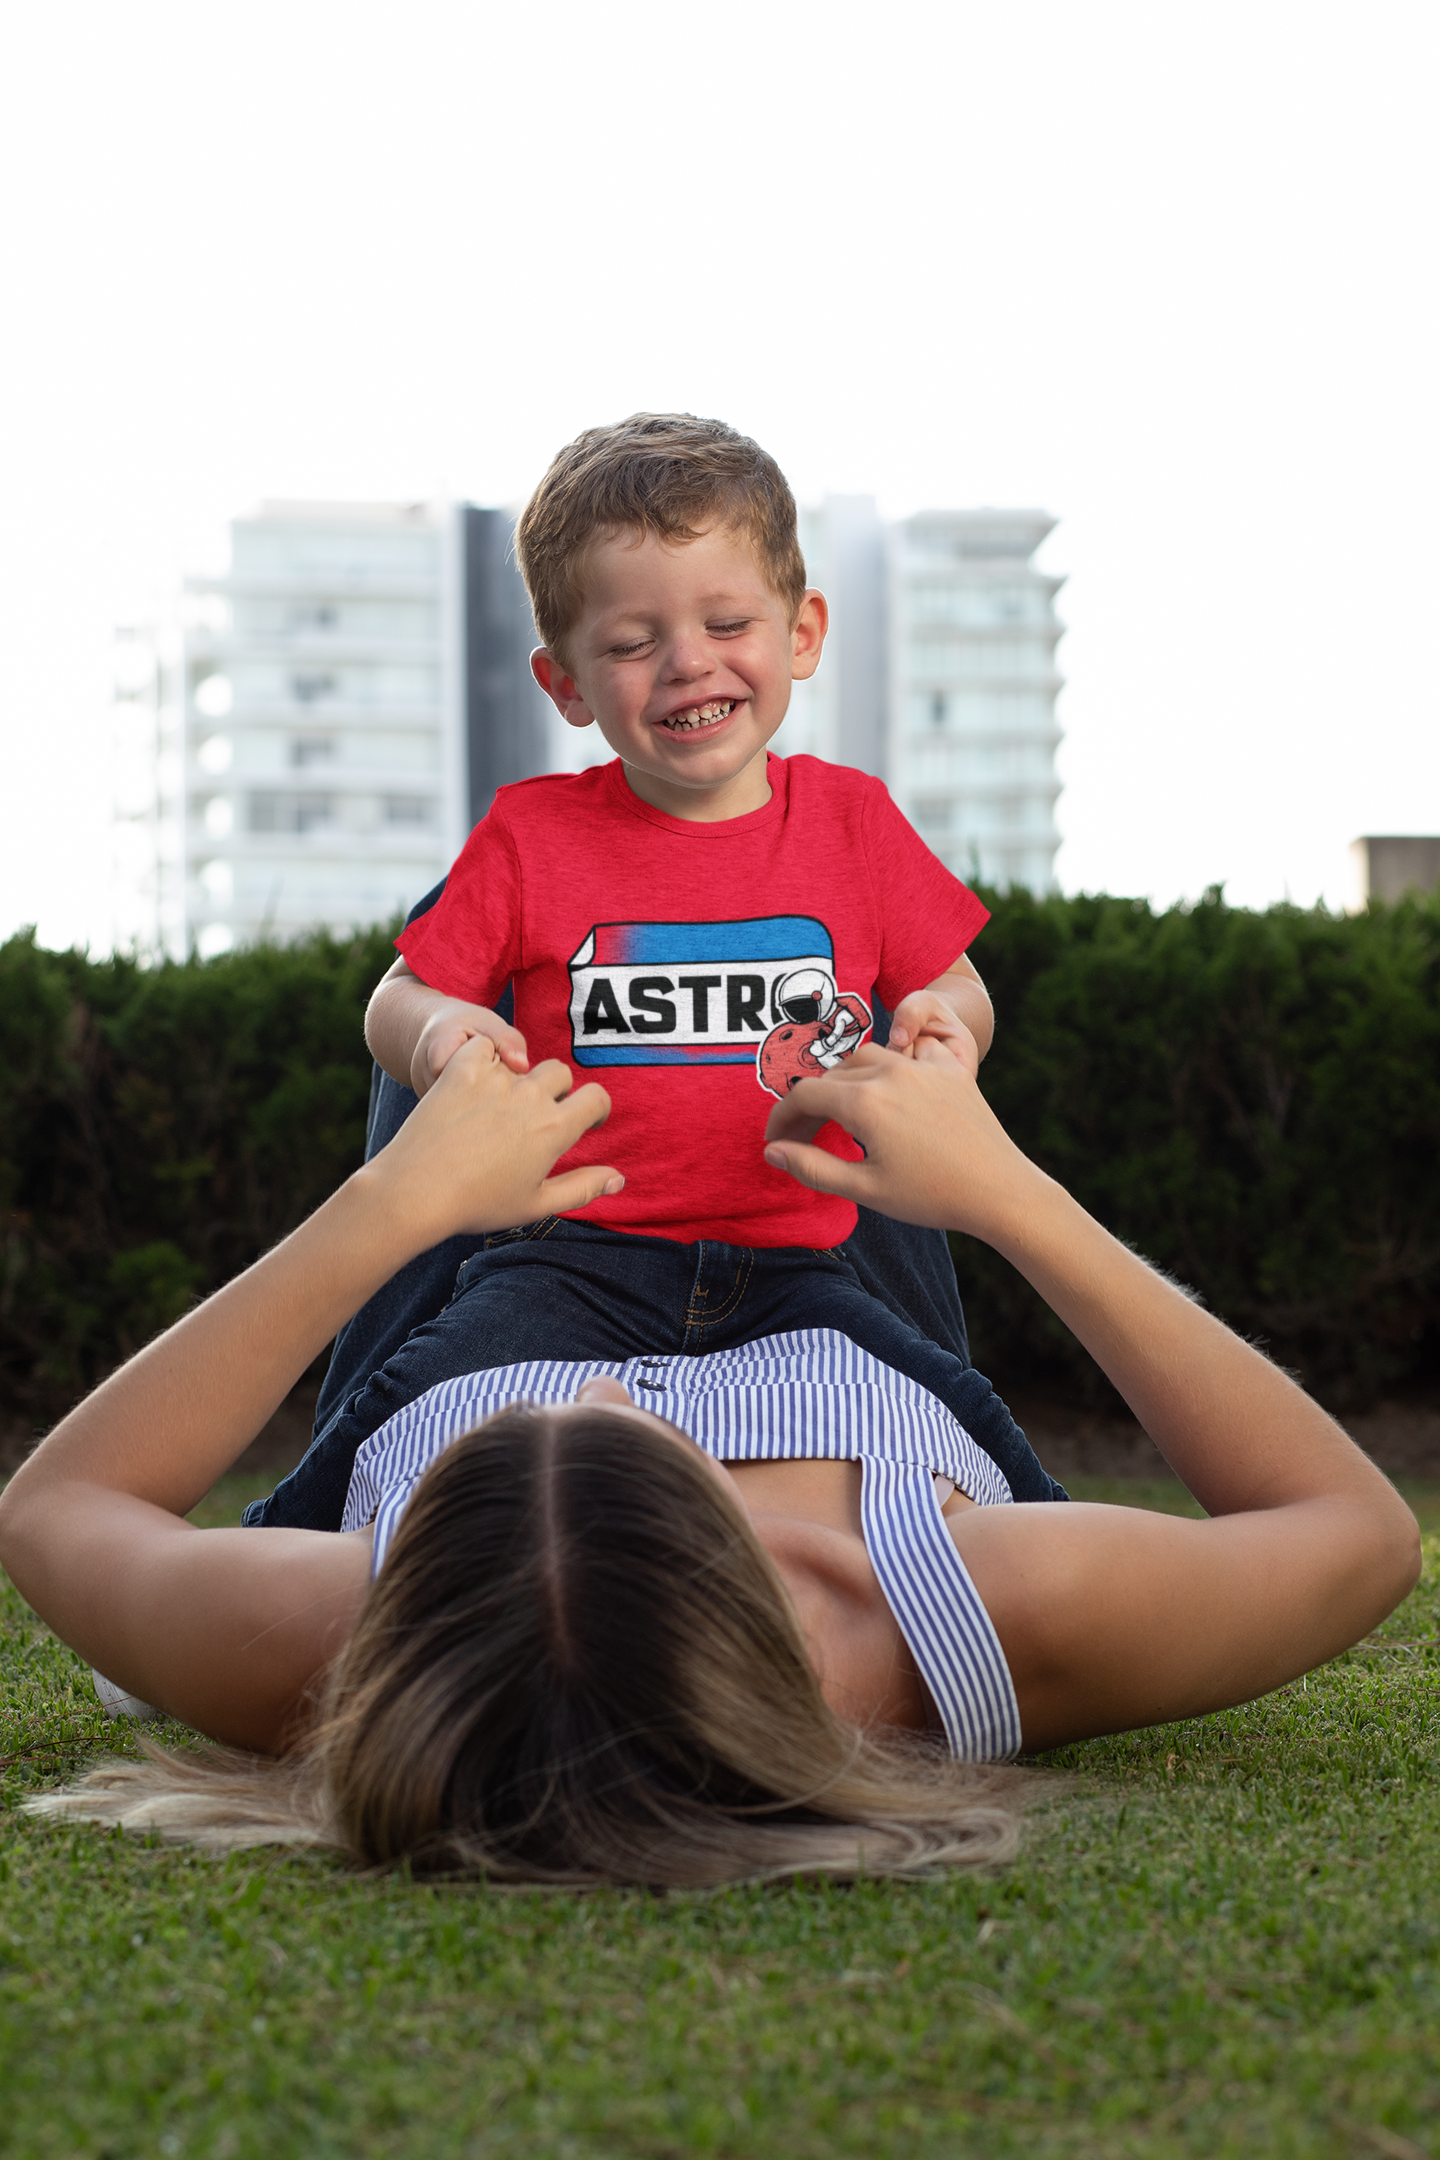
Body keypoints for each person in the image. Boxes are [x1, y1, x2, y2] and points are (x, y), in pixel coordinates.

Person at [0, 1037, 1420, 1885]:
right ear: (739, 1551)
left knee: (472, 997)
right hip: (836, 1293)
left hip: (489, 1284)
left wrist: (391, 1209)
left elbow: (58, 1505)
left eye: (505, 1449)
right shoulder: (962, 1617)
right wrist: (1011, 1199)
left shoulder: (338, 1643)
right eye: (646, 1430)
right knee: (806, 971)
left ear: (419, 1574)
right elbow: (1354, 1534)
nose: (621, 1381)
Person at [259, 411, 1043, 1528]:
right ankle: (273, 1556)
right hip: (573, 1262)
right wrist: (437, 1035)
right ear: (566, 681)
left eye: (729, 621)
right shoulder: (530, 838)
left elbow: (956, 982)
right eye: (632, 643)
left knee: (954, 1403)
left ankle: (1050, 1549)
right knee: (405, 1393)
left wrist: (947, 1023)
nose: (688, 662)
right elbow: (398, 998)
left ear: (804, 632)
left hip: (798, 1272)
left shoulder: (856, 825)